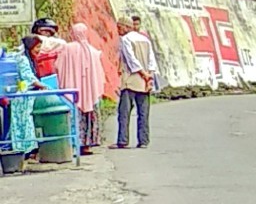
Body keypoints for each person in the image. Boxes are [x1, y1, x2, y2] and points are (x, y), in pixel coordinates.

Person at [56, 23, 106, 154]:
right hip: (91, 93)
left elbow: (58, 66)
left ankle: (74, 145)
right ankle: (88, 144)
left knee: (75, 115)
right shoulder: (93, 51)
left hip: (74, 92)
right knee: (90, 115)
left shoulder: (68, 48)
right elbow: (100, 74)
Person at [115, 18, 156, 149]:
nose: (118, 31)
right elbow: (151, 60)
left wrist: (143, 73)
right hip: (144, 82)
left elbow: (131, 60)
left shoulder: (126, 39)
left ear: (126, 27)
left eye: (119, 28)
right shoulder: (145, 40)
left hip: (130, 80)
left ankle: (123, 140)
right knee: (143, 113)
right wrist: (149, 76)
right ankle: (143, 140)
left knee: (124, 112)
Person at [6, 40, 44, 157]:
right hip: (24, 96)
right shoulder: (23, 59)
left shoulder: (20, 57)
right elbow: (29, 77)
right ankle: (28, 149)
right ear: (30, 46)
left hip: (19, 96)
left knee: (20, 122)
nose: (38, 50)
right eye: (37, 47)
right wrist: (45, 86)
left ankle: (21, 148)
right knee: (26, 121)